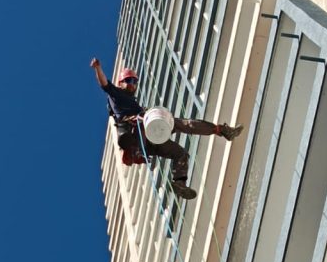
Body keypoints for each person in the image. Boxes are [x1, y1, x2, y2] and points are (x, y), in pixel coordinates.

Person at [90, 58, 243, 200]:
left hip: (150, 137)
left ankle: (180, 183)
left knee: (181, 151)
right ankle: (221, 131)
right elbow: (104, 84)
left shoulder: (134, 103)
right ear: (120, 83)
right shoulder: (116, 94)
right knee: (173, 124)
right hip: (138, 134)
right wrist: (98, 68)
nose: (132, 84)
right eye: (128, 80)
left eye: (134, 81)